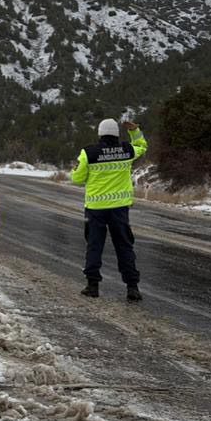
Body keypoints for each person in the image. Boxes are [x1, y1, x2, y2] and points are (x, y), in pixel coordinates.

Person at [69, 118, 147, 301]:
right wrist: (135, 132)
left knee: (94, 246)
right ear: (116, 134)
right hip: (119, 208)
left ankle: (92, 285)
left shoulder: (88, 153)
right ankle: (132, 287)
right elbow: (142, 147)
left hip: (96, 208)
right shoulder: (127, 150)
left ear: (100, 134)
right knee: (124, 246)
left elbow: (77, 179)